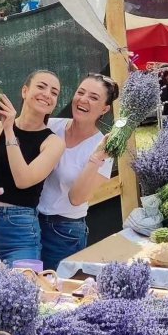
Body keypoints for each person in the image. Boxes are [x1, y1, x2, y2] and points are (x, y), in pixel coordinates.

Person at [0, 70, 65, 266]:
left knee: (22, 289)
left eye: (54, 92)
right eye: (41, 86)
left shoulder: (53, 142)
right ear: (24, 91)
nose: (47, 94)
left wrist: (9, 130)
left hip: (21, 228)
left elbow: (23, 180)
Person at [38, 73, 118, 270]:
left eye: (93, 97)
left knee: (56, 293)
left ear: (105, 109)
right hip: (31, 222)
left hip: (64, 232)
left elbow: (77, 197)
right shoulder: (50, 126)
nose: (83, 99)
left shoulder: (103, 149)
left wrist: (96, 158)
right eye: (80, 92)